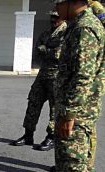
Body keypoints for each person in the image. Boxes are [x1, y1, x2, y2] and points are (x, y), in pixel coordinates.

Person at [53, 0, 104, 172]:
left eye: (58, 3)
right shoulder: (79, 25)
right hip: (81, 111)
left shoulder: (85, 28)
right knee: (82, 167)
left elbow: (83, 76)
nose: (55, 8)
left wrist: (68, 114)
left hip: (77, 115)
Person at [10, 11, 67, 151]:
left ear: (62, 18)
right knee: (33, 103)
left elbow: (61, 54)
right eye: (51, 17)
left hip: (57, 77)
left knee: (54, 109)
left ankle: (51, 137)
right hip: (42, 75)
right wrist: (49, 51)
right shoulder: (46, 34)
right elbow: (36, 52)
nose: (53, 20)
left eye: (56, 17)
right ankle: (28, 135)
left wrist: (46, 50)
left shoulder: (67, 34)